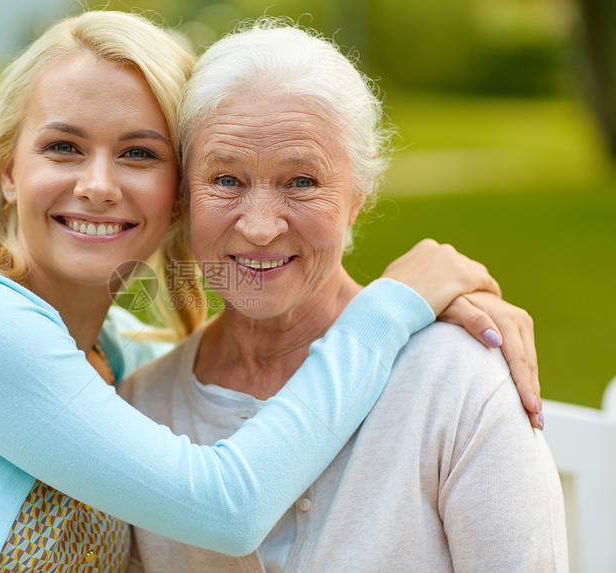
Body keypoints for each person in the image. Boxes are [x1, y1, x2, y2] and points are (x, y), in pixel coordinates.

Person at [0, 11, 541, 573]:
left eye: (138, 153)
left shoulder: (115, 362)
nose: (99, 185)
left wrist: (442, 308)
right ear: (8, 167)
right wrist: (394, 304)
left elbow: (249, 351)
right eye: (63, 146)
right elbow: (225, 507)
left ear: (175, 192)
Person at [120, 20, 566, 573]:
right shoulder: (143, 408)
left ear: (358, 197)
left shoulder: (458, 381)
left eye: (301, 181)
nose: (260, 227)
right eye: (227, 180)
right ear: (184, 195)